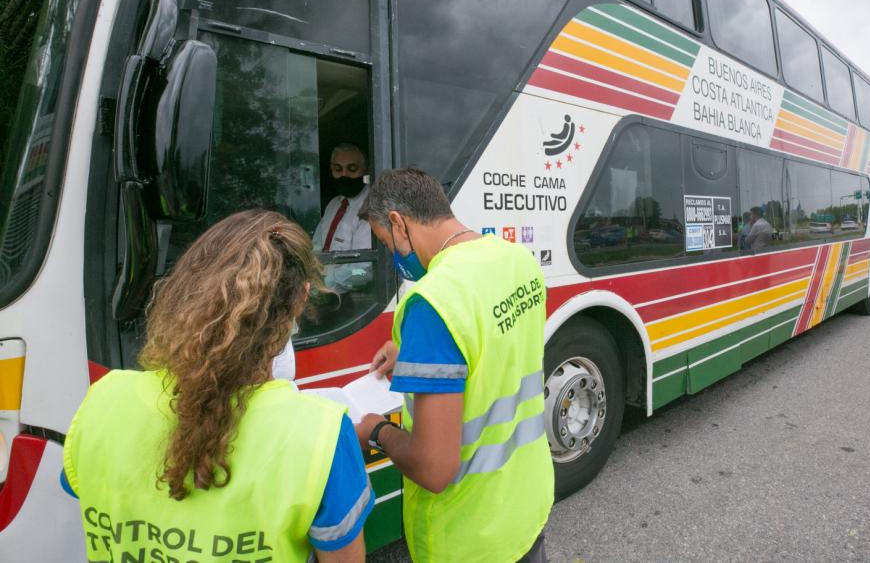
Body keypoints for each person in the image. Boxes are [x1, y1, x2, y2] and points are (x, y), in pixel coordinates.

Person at [61, 210, 373, 562]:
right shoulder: (324, 435)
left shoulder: (104, 399)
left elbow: (84, 490)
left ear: (189, 290)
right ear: (301, 298)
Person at [355, 168, 553, 563]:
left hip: (467, 537)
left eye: (385, 243)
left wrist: (378, 431)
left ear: (398, 223)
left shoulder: (434, 301)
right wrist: (415, 354)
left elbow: (433, 469)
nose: (392, 256)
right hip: (527, 507)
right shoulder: (516, 259)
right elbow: (497, 348)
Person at [313, 143, 371, 252]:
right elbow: (315, 246)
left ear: (365, 170)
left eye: (352, 169)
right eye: (338, 169)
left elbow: (362, 264)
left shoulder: (371, 205)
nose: (344, 174)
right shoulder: (333, 204)